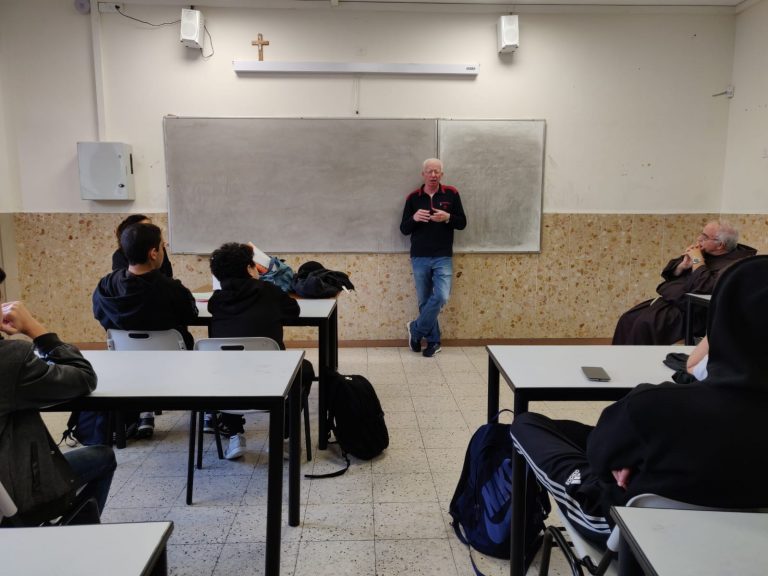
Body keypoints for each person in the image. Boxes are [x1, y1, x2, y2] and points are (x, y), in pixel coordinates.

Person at [510, 255, 768, 546]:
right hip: (747, 549)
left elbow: (600, 457)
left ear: (721, 322)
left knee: (525, 425)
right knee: (589, 436)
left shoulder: (655, 407)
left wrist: (621, 458)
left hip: (630, 536)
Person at [1, 268, 116, 523]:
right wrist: (36, 330)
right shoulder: (10, 360)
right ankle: (74, 537)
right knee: (103, 457)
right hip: (12, 497)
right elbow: (83, 378)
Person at [207, 242, 314, 459]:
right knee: (306, 369)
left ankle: (235, 435)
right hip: (271, 378)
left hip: (229, 382)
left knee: (225, 367)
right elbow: (293, 311)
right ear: (249, 268)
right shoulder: (269, 292)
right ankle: (283, 436)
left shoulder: (216, 301)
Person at [92, 222, 198, 437]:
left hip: (126, 363)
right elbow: (191, 315)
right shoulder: (172, 289)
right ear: (153, 253)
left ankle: (140, 413)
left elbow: (99, 314)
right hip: (172, 364)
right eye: (162, 245)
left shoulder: (106, 285)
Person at [612, 220, 755, 345]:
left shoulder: (735, 264)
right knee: (627, 319)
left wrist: (698, 260)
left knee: (644, 324)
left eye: (705, 237)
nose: (699, 239)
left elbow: (705, 287)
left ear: (720, 245)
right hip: (670, 302)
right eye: (701, 234)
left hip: (692, 312)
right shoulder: (706, 252)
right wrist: (683, 266)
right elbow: (670, 272)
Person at [400, 158, 467, 357]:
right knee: (424, 301)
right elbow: (404, 229)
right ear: (423, 174)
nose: (433, 175)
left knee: (441, 296)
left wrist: (448, 218)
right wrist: (414, 218)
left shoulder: (451, 194)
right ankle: (434, 341)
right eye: (429, 171)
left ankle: (415, 329)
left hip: (442, 256)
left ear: (442, 174)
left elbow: (462, 223)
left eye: (437, 171)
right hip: (419, 256)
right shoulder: (413, 198)